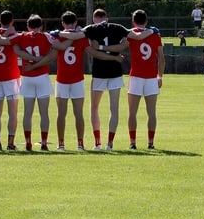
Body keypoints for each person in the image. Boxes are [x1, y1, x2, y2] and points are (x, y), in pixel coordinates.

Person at [82, 9, 153, 150]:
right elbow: (132, 40)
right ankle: (110, 143)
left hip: (99, 72)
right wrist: (152, 31)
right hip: (115, 72)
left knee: (94, 107)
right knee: (114, 109)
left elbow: (93, 51)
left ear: (94, 19)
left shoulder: (91, 29)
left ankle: (97, 143)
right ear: (106, 18)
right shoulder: (118, 27)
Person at [12, 14, 56, 150]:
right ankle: (43, 143)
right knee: (44, 113)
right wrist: (38, 61)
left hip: (28, 78)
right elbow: (53, 54)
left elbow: (16, 49)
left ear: (28, 26)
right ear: (41, 26)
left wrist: (31, 61)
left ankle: (28, 142)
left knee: (27, 113)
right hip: (42, 77)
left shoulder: (22, 36)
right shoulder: (46, 36)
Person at [49, 11, 90, 151]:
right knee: (78, 113)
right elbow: (93, 49)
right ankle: (80, 144)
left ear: (62, 23)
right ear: (76, 22)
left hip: (62, 79)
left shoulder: (58, 36)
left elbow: (54, 53)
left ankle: (61, 144)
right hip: (77, 79)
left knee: (61, 113)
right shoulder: (81, 37)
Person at [126, 10, 164, 150]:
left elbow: (122, 44)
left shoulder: (131, 34)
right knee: (152, 112)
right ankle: (150, 142)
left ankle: (133, 142)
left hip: (136, 76)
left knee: (132, 112)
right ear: (146, 21)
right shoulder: (155, 35)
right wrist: (160, 75)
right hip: (151, 77)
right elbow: (161, 57)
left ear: (133, 21)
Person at [0, 11, 21, 151]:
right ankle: (10, 142)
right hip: (11, 77)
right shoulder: (14, 34)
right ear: (12, 21)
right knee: (12, 113)